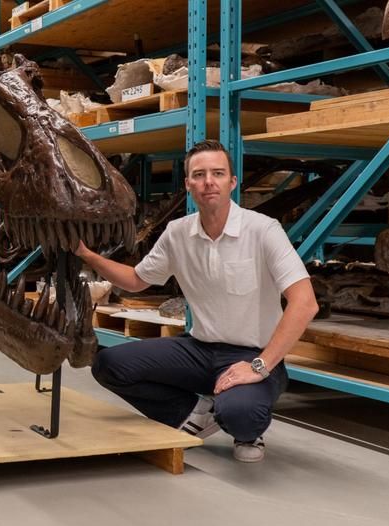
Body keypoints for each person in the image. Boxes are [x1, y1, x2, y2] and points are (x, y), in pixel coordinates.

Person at [75, 139, 318, 462]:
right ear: (188, 183)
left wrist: (259, 366)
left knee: (241, 417)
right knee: (109, 365)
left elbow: (305, 303)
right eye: (199, 174)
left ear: (232, 182)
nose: (208, 182)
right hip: (198, 350)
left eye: (217, 173)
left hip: (252, 354)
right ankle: (194, 413)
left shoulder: (262, 230)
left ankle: (244, 426)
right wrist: (86, 255)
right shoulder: (178, 233)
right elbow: (136, 280)